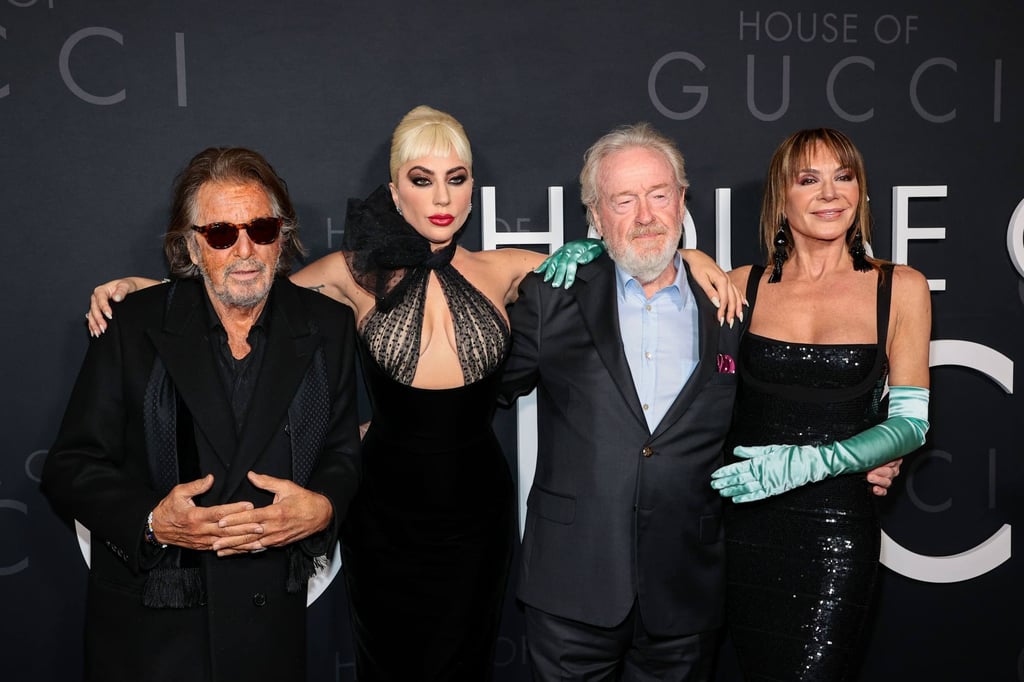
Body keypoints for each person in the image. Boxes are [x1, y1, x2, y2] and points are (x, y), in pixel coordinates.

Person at [82, 106, 740, 680]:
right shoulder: (351, 274)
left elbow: (634, 256)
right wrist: (147, 290)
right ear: (394, 191)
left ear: (473, 188)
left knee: (469, 659)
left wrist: (698, 261)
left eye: (456, 178)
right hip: (384, 510)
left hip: (478, 510)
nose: (441, 195)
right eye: (422, 179)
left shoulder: (510, 271)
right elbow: (247, 286)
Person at [41, 147, 363, 682]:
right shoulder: (135, 325)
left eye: (261, 229)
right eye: (220, 234)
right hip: (151, 628)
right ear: (191, 244)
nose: (244, 249)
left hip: (268, 626)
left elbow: (342, 452)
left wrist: (323, 508)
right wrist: (152, 520)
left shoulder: (327, 326)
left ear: (282, 236)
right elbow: (71, 465)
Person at [708, 128, 931, 681]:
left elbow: (912, 422)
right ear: (781, 198)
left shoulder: (899, 287)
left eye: (844, 176)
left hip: (838, 527)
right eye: (809, 179)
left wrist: (817, 462)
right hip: (747, 524)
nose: (831, 193)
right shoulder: (741, 285)